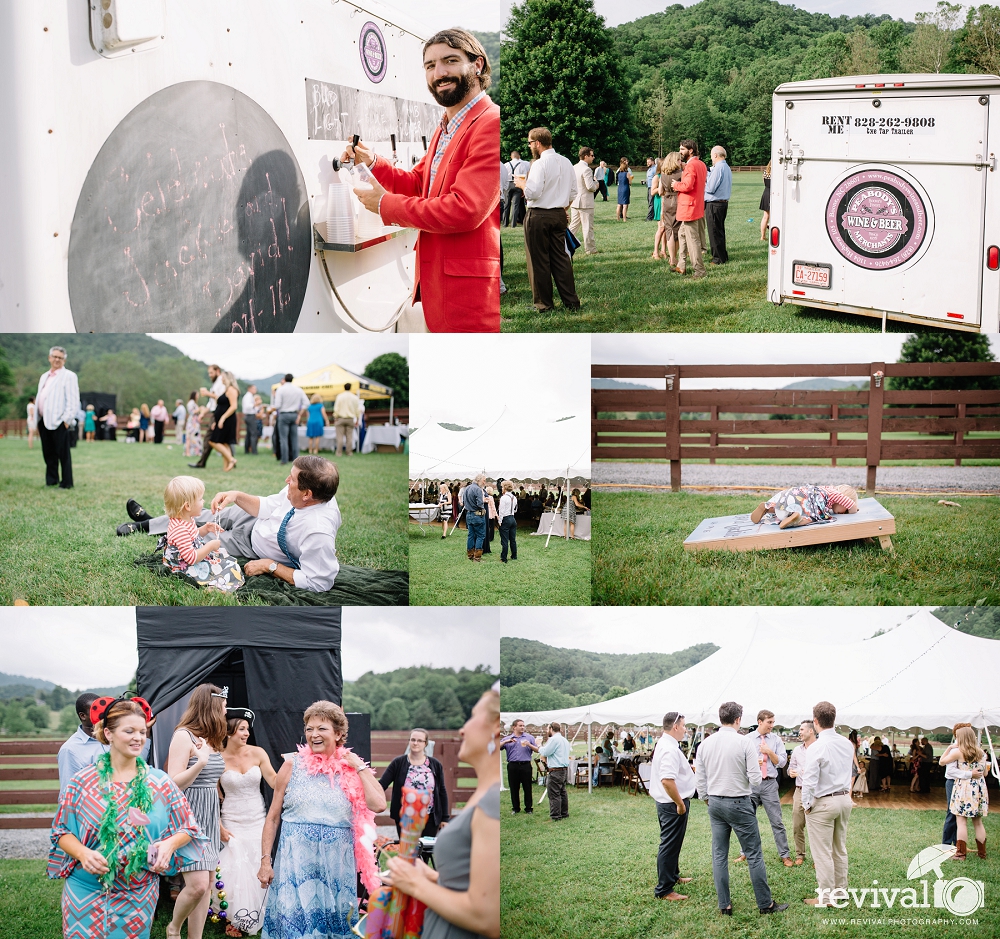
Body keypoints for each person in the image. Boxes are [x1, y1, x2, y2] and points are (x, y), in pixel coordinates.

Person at [347, 30, 500, 333]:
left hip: (468, 301)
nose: (439, 73)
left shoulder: (490, 122)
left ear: (478, 65)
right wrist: (373, 163)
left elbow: (465, 209)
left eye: (450, 61)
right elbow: (420, 186)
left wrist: (384, 204)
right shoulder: (445, 126)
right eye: (430, 66)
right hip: (437, 291)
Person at [48, 697, 207, 939]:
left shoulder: (160, 783)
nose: (138, 737)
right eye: (129, 731)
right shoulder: (82, 782)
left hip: (138, 895)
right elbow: (61, 832)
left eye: (143, 731)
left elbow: (188, 828)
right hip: (86, 890)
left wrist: (169, 844)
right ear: (108, 733)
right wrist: (82, 853)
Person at [258, 701, 387, 939]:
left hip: (336, 868)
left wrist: (359, 767)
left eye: (321, 729)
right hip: (294, 866)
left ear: (338, 734)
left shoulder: (352, 769)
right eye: (309, 729)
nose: (313, 734)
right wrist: (266, 861)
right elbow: (273, 817)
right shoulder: (291, 765)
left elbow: (379, 804)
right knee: (293, 928)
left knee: (333, 927)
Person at [119, 455, 342, 592]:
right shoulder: (303, 491)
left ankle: (148, 524)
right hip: (254, 519)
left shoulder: (318, 531)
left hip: (248, 545)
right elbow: (268, 505)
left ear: (307, 494)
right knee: (204, 513)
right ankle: (146, 524)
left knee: (190, 531)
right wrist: (236, 495)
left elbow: (318, 582)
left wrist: (269, 566)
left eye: (291, 480)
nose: (286, 481)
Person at [382, 686, 500, 939]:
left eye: (472, 716)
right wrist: (431, 876)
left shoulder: (491, 801)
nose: (462, 729)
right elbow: (469, 885)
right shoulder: (486, 795)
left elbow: (487, 917)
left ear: (497, 727)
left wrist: (414, 883)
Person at [695, 701, 786, 915]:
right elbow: (755, 780)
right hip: (739, 802)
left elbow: (701, 779)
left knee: (719, 854)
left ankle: (724, 905)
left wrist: (707, 798)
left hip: (715, 803)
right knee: (754, 854)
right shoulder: (744, 742)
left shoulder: (705, 744)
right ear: (738, 720)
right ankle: (766, 904)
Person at [166, 684, 229, 939]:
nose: (226, 712)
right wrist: (201, 761)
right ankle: (173, 927)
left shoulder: (211, 740)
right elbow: (173, 783)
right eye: (224, 707)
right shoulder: (184, 736)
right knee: (197, 885)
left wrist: (219, 822)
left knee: (208, 885)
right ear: (211, 707)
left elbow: (212, 783)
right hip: (188, 816)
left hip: (210, 817)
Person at [218, 710, 278, 937]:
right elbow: (211, 795)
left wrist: (291, 770)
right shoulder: (217, 756)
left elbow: (273, 780)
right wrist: (218, 825)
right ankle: (236, 916)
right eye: (242, 728)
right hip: (231, 818)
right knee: (236, 865)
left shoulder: (258, 752)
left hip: (257, 817)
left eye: (247, 728)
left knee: (257, 862)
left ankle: (259, 911)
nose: (247, 733)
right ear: (229, 731)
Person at [515, 126, 580, 314]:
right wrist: (561, 208)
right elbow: (573, 192)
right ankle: (571, 302)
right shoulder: (567, 161)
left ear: (538, 143)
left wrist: (522, 184)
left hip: (538, 215)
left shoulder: (539, 164)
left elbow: (533, 192)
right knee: (561, 259)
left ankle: (544, 304)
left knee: (538, 261)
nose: (529, 146)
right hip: (559, 214)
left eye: (529, 143)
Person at [800, 700, 855, 907]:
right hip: (843, 799)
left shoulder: (817, 746)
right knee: (839, 849)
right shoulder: (846, 744)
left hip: (823, 802)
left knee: (822, 853)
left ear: (815, 721)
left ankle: (826, 898)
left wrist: (806, 804)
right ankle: (841, 893)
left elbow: (810, 779)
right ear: (833, 719)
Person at [160, 475, 245, 590]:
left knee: (227, 562)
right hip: (185, 566)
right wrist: (210, 546)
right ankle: (216, 587)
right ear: (188, 506)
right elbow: (191, 558)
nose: (203, 501)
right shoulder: (180, 529)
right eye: (200, 499)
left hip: (191, 556)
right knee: (227, 569)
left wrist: (205, 529)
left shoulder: (185, 520)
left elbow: (191, 537)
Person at [736, 710, 793, 867]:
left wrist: (769, 752)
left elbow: (782, 763)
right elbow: (739, 761)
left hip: (769, 784)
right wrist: (753, 763)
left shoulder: (776, 740)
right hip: (751, 785)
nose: (772, 725)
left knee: (777, 821)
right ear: (760, 722)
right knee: (747, 821)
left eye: (773, 722)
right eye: (769, 722)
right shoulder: (746, 739)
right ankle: (744, 853)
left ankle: (785, 855)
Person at [651, 712, 696, 901]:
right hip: (672, 804)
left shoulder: (667, 744)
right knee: (669, 844)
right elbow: (667, 780)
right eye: (684, 725)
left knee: (674, 842)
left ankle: (673, 875)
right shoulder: (669, 748)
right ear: (676, 727)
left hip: (668, 802)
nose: (686, 729)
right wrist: (679, 803)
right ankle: (664, 889)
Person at [380, 728, 450, 837]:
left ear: (425, 743)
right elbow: (381, 785)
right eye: (413, 740)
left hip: (430, 817)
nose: (415, 743)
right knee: (409, 852)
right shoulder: (398, 763)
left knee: (426, 852)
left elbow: (442, 791)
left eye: (419, 740)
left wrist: (445, 818)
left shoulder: (435, 764)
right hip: (405, 817)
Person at [940, 726, 990, 859]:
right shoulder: (982, 753)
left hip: (964, 788)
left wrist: (950, 748)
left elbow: (941, 762)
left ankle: (961, 854)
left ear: (961, 738)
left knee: (961, 822)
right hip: (979, 788)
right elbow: (985, 773)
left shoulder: (959, 752)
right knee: (978, 823)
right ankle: (982, 853)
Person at [35, 345, 80, 489]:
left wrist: (66, 421)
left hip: (60, 421)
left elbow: (73, 400)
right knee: (48, 452)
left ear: (64, 360)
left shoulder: (69, 376)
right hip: (43, 420)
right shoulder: (44, 376)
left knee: (63, 454)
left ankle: (66, 483)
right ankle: (51, 479)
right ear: (49, 358)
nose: (57, 359)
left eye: (60, 358)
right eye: (54, 356)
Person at [750, 484, 859, 530]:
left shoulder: (824, 488)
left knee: (783, 505)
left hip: (793, 495)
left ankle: (767, 507)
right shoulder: (836, 494)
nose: (844, 513)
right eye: (845, 510)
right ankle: (796, 519)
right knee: (814, 517)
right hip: (804, 502)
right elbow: (852, 506)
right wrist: (852, 511)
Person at [671, 140, 707, 279]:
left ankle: (700, 271)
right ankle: (681, 265)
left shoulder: (691, 166)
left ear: (690, 150)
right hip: (696, 205)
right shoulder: (701, 164)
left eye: (682, 149)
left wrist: (676, 185)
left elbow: (688, 186)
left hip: (689, 208)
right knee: (682, 235)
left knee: (693, 241)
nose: (680, 151)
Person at [57, 693, 101, 798]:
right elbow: (68, 793)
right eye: (95, 711)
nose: (101, 715)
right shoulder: (70, 749)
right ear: (83, 716)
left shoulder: (113, 739)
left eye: (102, 710)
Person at [787, 719, 817, 866]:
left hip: (817, 792)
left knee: (817, 826)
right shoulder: (797, 751)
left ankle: (818, 858)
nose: (799, 732)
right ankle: (800, 854)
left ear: (811, 731)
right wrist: (791, 772)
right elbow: (790, 767)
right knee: (797, 825)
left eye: (801, 730)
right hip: (799, 790)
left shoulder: (820, 748)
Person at [189, 364, 226, 469]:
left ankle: (202, 463)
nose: (210, 375)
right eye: (209, 373)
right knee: (216, 439)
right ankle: (203, 462)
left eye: (211, 372)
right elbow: (211, 404)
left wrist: (208, 394)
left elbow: (222, 399)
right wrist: (202, 413)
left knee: (211, 439)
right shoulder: (215, 384)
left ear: (217, 371)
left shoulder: (221, 382)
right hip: (215, 413)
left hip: (219, 413)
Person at [271, 374, 310, 465]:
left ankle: (284, 459)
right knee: (294, 438)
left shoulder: (281, 389)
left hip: (284, 415)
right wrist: (299, 414)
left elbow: (277, 405)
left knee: (283, 438)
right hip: (294, 415)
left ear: (285, 379)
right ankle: (296, 460)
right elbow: (306, 403)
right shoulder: (298, 389)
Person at [500, 720, 537, 814]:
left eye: (523, 725)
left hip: (525, 765)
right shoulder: (507, 738)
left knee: (527, 787)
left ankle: (528, 808)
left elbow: (537, 750)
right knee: (514, 787)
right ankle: (515, 808)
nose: (522, 727)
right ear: (514, 727)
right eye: (520, 725)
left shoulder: (529, 738)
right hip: (513, 766)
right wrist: (506, 742)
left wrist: (529, 744)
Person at [704, 146, 732, 265]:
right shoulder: (726, 167)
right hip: (722, 203)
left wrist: (705, 178)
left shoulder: (718, 168)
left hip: (714, 204)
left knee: (714, 232)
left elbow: (711, 188)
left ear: (715, 155)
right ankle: (722, 255)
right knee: (719, 231)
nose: (711, 158)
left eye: (711, 155)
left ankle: (717, 258)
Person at [207, 371, 240, 472]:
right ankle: (226, 468)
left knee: (213, 441)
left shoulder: (232, 389)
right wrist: (216, 421)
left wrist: (223, 418)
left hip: (227, 420)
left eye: (223, 377)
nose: (221, 379)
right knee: (225, 443)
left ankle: (231, 459)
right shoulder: (226, 390)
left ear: (227, 378)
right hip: (221, 420)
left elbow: (234, 406)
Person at [569, 147, 599, 255]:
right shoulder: (586, 169)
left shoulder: (574, 167)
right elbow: (590, 187)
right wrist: (596, 185)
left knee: (573, 226)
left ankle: (564, 244)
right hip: (585, 202)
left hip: (575, 201)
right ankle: (590, 249)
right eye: (592, 155)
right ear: (585, 156)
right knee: (587, 227)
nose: (593, 157)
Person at [538, 723, 570, 821]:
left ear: (551, 729)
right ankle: (564, 813)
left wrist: (539, 745)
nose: (547, 730)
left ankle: (556, 815)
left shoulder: (553, 739)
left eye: (548, 729)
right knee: (562, 792)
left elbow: (545, 752)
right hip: (564, 769)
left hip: (555, 770)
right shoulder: (564, 740)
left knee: (554, 793)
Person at [333, 382, 362, 457]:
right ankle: (349, 452)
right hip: (350, 419)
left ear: (344, 387)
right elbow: (357, 409)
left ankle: (339, 453)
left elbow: (336, 408)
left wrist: (335, 417)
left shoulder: (340, 396)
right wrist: (358, 419)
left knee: (340, 437)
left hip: (340, 418)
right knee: (349, 437)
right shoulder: (354, 397)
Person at [464, 474, 487, 562]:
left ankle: (470, 554)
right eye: (484, 480)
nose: (484, 482)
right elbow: (480, 504)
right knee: (480, 535)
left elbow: (464, 501)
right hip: (477, 514)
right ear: (479, 480)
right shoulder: (478, 489)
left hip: (469, 514)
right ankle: (477, 557)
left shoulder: (467, 488)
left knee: (471, 535)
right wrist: (483, 510)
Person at [504, 150, 529, 227]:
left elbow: (503, 176)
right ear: (519, 156)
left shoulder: (506, 164)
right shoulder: (522, 165)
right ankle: (513, 224)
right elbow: (524, 177)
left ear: (511, 157)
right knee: (515, 205)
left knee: (506, 204)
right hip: (517, 184)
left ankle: (505, 223)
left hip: (508, 184)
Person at [497, 480, 518, 563]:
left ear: (505, 488)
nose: (501, 488)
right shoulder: (514, 497)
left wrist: (500, 520)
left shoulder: (503, 498)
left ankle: (504, 558)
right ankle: (514, 555)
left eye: (502, 487)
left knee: (504, 540)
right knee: (512, 539)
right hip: (513, 518)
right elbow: (515, 509)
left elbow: (501, 511)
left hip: (505, 519)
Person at [242, 384, 260, 455]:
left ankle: (247, 450)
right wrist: (255, 404)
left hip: (249, 416)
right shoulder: (248, 396)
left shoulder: (249, 396)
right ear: (249, 389)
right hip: (250, 416)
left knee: (249, 434)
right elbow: (248, 406)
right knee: (253, 434)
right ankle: (254, 451)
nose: (255, 390)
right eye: (254, 389)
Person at [184, 392, 203, 458]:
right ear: (194, 395)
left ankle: (196, 452)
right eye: (197, 394)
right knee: (189, 437)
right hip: (192, 423)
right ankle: (187, 452)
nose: (198, 396)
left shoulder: (194, 403)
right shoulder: (191, 402)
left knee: (196, 437)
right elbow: (191, 412)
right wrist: (199, 409)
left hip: (195, 422)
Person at [482, 485, 498, 555]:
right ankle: (491, 537)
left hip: (485, 514)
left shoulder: (484, 497)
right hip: (490, 514)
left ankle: (487, 537)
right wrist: (496, 514)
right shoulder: (490, 497)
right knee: (491, 527)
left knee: (486, 527)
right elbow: (493, 507)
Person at [760, 160, 772, 242]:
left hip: (766, 193)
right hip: (773, 193)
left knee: (765, 216)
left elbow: (764, 182)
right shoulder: (777, 172)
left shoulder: (765, 172)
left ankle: (762, 236)